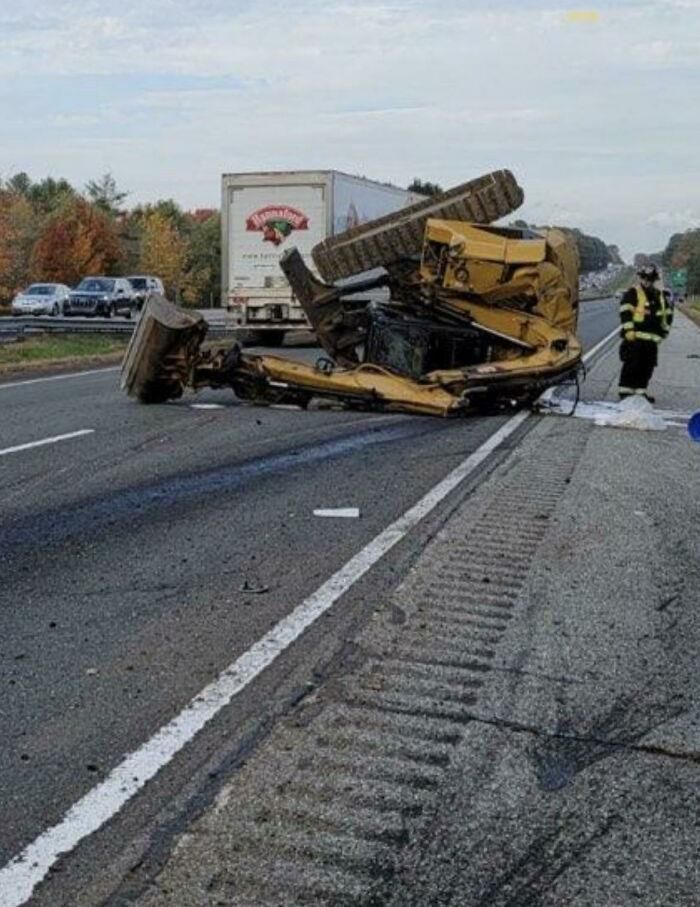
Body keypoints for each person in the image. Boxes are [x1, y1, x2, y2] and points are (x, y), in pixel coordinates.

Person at [618, 264, 673, 403]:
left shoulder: (660, 295)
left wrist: (664, 332)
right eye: (644, 278)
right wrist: (629, 330)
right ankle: (625, 391)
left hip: (652, 340)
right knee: (632, 365)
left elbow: (667, 314)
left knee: (647, 366)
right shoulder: (632, 293)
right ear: (640, 278)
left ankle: (640, 392)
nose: (646, 281)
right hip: (635, 338)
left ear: (654, 280)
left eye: (650, 279)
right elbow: (625, 311)